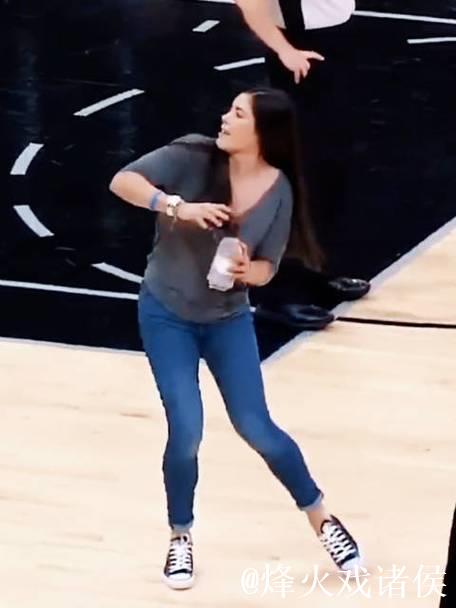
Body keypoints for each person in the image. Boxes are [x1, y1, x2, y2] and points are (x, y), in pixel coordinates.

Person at [109, 87, 361, 589]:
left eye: (238, 113)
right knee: (187, 429)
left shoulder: (279, 189)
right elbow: (123, 181)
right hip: (167, 313)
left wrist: (251, 272)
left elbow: (268, 266)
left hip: (228, 318)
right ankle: (180, 536)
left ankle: (322, 519)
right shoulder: (192, 155)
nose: (225, 117)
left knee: (257, 427)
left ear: (261, 131)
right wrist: (176, 206)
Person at [234, 0, 370, 329]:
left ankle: (316, 271)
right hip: (298, 49)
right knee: (298, 172)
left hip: (337, 40)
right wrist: (285, 50)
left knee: (331, 168)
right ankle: (278, 294)